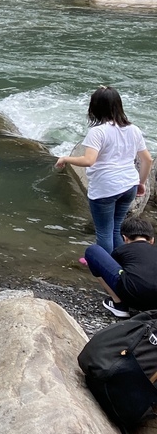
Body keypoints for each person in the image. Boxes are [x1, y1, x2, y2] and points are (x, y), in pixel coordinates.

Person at [56, 86, 153, 254]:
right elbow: (147, 159)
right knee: (116, 230)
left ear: (94, 108)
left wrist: (65, 158)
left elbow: (88, 160)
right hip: (129, 185)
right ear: (118, 105)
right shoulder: (133, 129)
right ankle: (123, 264)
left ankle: (105, 268)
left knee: (104, 233)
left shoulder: (97, 132)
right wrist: (141, 183)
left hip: (105, 189)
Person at [84, 216, 157, 318]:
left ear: (125, 238)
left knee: (92, 251)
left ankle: (119, 305)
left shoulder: (121, 251)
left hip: (133, 296)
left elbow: (111, 271)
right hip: (155, 306)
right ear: (152, 240)